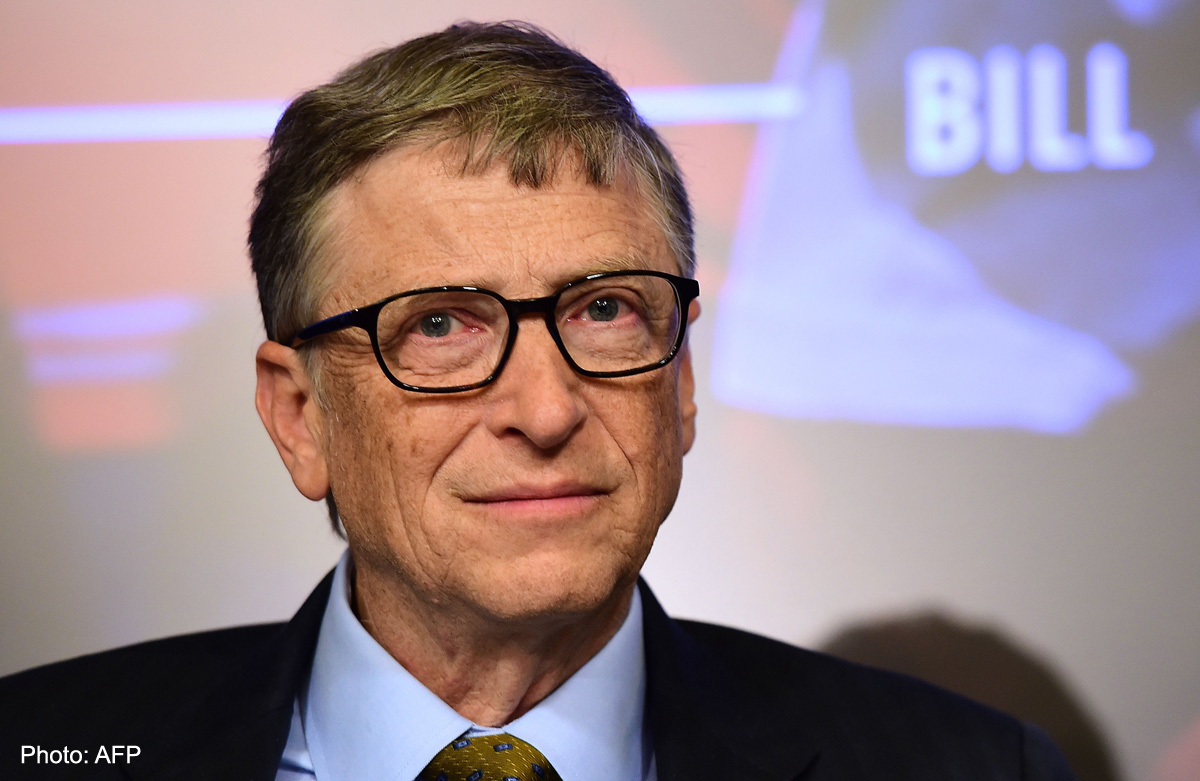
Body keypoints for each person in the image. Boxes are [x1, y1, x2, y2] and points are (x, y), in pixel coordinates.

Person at [0, 21, 1075, 781]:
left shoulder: (973, 766)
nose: (546, 408)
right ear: (299, 416)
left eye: (605, 309)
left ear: (681, 385)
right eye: (439, 325)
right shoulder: (40, 749)